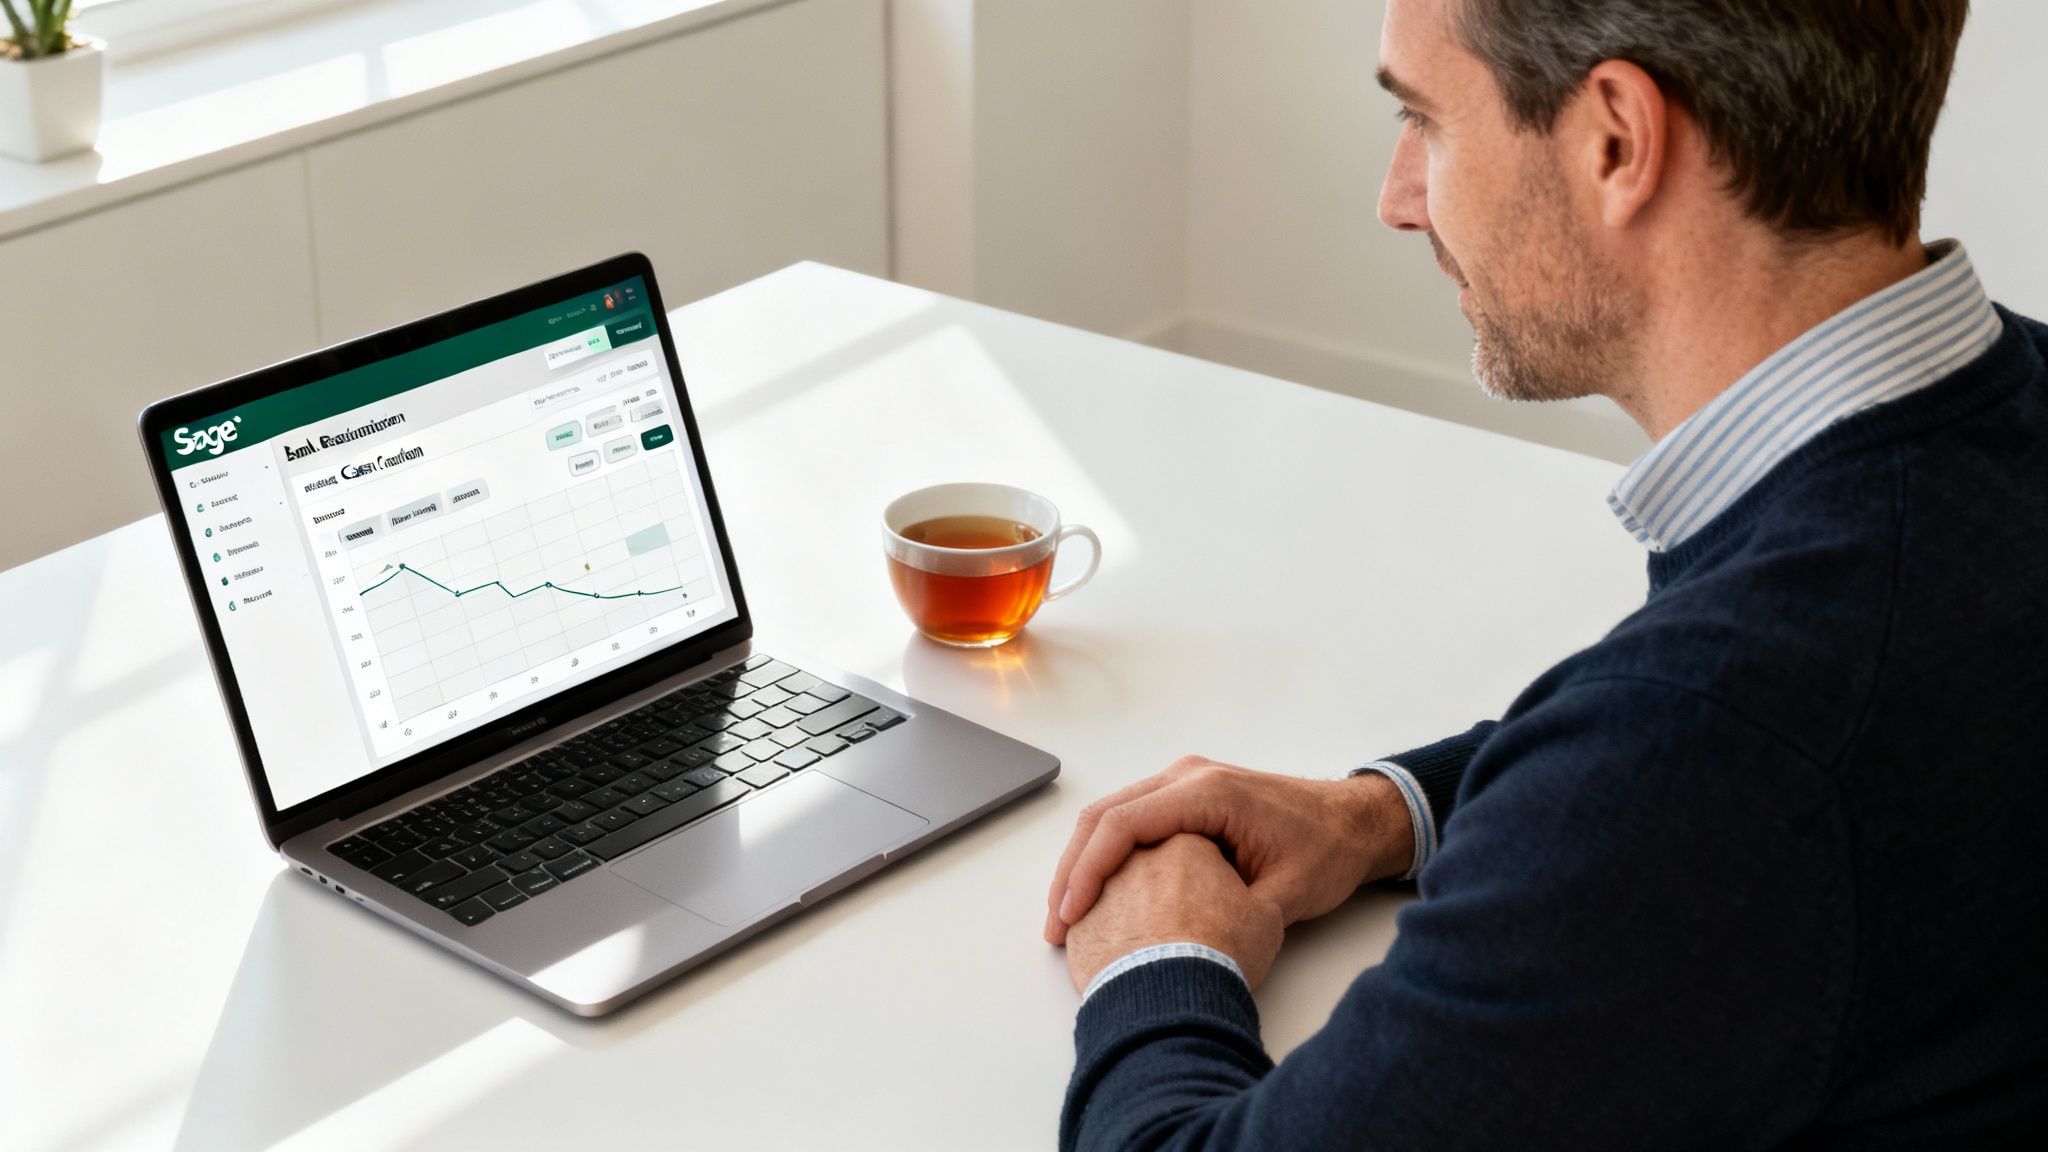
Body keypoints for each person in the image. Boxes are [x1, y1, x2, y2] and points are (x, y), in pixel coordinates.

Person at [1044, 0, 2048, 1147]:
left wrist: (1157, 956)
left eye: (1426, 121)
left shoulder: (1713, 753)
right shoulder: (1961, 459)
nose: (1397, 199)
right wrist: (1383, 815)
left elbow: (1705, 762)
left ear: (1615, 140)